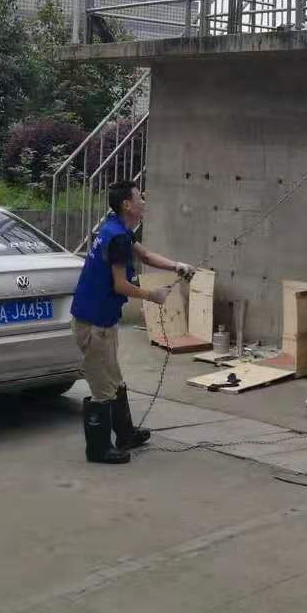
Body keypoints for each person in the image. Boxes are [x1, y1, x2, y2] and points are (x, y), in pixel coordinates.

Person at [69, 180, 195, 464]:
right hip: (93, 325)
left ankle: (125, 434)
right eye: (140, 198)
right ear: (128, 205)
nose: (144, 202)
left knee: (115, 381)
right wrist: (153, 295)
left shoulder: (116, 229)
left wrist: (177, 266)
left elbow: (146, 256)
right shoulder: (116, 238)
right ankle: (99, 449)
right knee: (102, 388)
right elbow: (120, 285)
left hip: (102, 320)